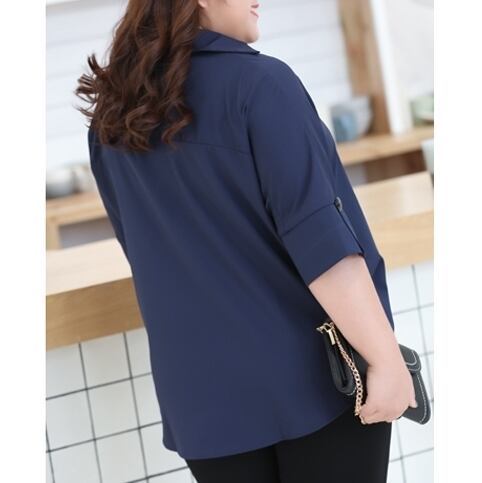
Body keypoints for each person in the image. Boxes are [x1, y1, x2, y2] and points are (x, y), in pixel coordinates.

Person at [76, 1, 417, 482]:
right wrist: (385, 360)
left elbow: (143, 253)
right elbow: (322, 245)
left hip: (203, 407)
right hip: (312, 386)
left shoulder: (113, 117)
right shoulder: (261, 86)